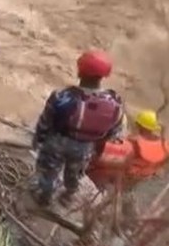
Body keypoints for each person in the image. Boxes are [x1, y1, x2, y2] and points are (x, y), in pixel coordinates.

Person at [33, 50, 124, 208]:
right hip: (85, 146)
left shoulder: (62, 96)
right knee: (74, 173)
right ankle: (68, 196)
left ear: (80, 70)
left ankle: (45, 197)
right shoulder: (114, 102)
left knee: (49, 171)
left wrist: (38, 139)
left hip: (57, 141)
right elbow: (114, 131)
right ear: (104, 76)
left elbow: (45, 122)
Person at [86, 109, 169, 190]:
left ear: (138, 125)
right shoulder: (165, 146)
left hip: (125, 178)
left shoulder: (132, 143)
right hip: (144, 179)